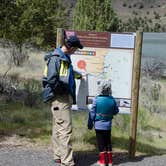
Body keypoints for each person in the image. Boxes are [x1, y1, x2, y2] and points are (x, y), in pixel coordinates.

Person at [42, 35, 83, 166]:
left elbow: (65, 73)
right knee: (65, 129)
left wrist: (78, 75)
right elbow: (52, 79)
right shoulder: (56, 58)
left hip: (60, 98)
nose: (76, 51)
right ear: (70, 47)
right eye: (76, 49)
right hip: (59, 98)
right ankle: (67, 162)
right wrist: (63, 90)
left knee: (58, 126)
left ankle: (58, 155)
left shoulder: (64, 57)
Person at [87, 80, 119, 166]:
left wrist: (89, 124)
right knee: (108, 142)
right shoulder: (112, 99)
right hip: (108, 125)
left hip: (98, 125)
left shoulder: (96, 100)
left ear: (100, 89)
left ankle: (103, 162)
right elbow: (116, 111)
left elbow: (92, 114)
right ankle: (110, 161)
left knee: (101, 143)